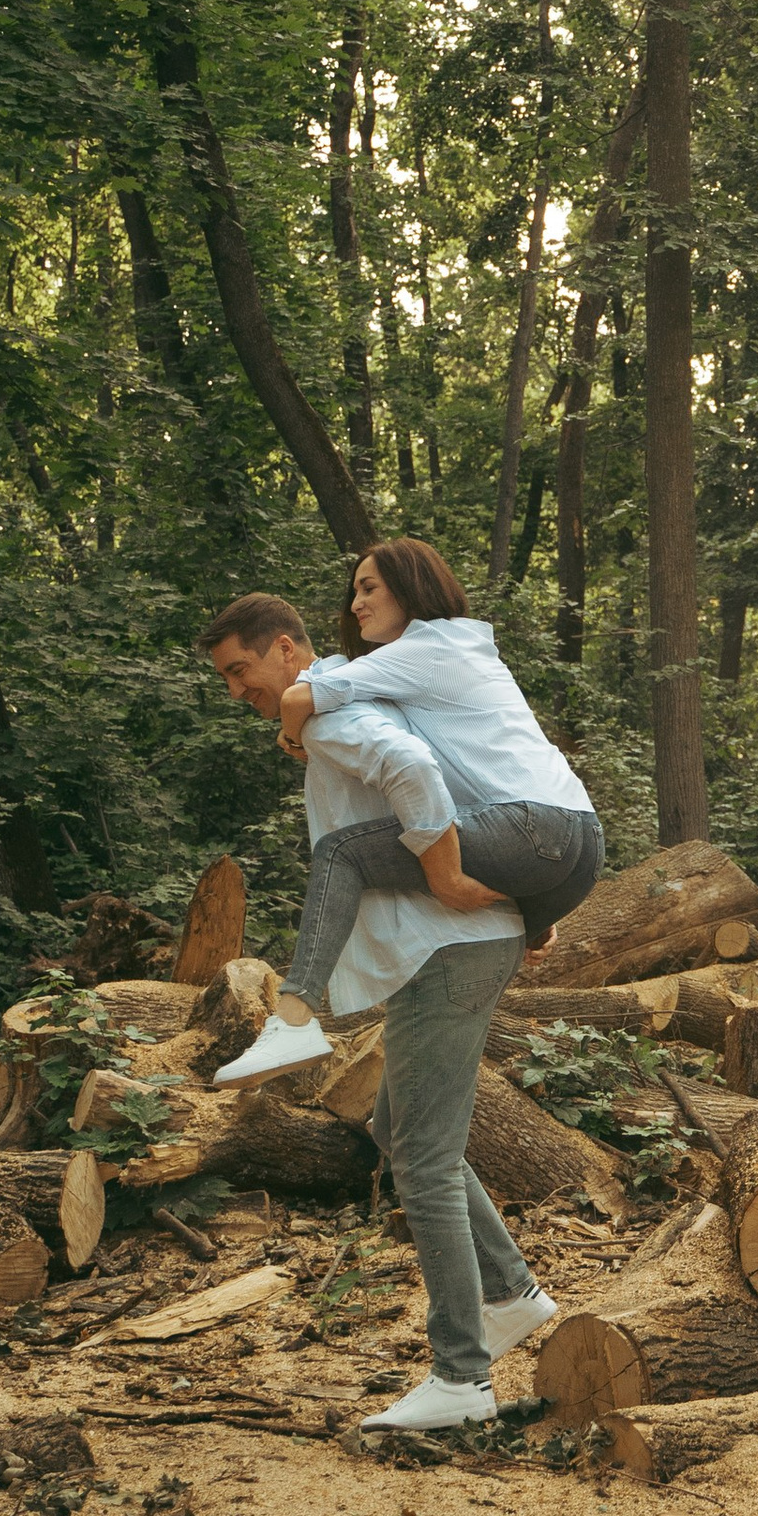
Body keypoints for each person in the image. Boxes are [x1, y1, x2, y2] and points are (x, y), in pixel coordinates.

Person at [200, 589, 562, 1435]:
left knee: (424, 1162)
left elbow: (417, 773)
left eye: (240, 670)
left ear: (287, 651)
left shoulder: (332, 713)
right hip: (452, 946)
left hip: (451, 949)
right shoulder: (337, 705)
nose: (234, 690)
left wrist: (447, 883)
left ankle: (463, 1377)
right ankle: (511, 1295)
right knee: (398, 1129)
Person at [226, 538, 603, 1083]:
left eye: (369, 587)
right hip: (576, 841)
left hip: (532, 826)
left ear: (412, 585)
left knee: (341, 853)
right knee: (411, 1139)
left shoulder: (427, 647)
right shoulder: (457, 649)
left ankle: (294, 1018)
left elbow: (301, 698)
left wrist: (293, 735)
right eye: (355, 589)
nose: (355, 603)